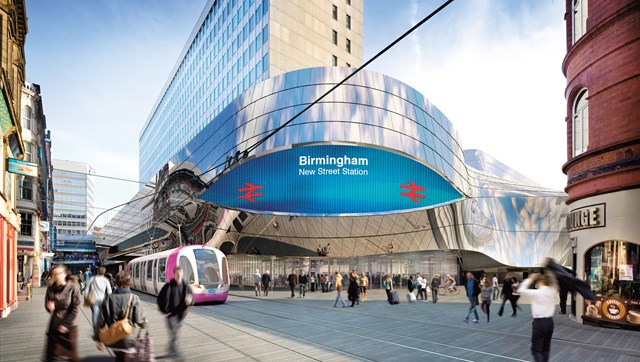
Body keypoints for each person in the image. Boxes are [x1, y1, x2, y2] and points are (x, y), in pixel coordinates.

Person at [94, 271, 146, 361]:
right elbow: (139, 320)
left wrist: (98, 339)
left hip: (113, 338)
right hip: (128, 339)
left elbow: (100, 321)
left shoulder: (108, 299)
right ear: (129, 282)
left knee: (119, 358)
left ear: (116, 282)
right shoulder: (134, 298)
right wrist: (144, 324)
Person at [43, 264, 82, 362]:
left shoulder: (73, 288)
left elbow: (75, 308)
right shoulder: (51, 288)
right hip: (55, 324)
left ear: (65, 274)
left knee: (71, 356)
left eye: (59, 273)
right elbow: (48, 306)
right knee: (51, 356)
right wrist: (49, 307)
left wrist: (66, 324)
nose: (57, 276)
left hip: (69, 325)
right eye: (54, 274)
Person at [517, 272, 558, 362]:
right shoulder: (552, 291)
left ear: (540, 282)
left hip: (539, 323)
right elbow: (554, 282)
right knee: (546, 349)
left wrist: (530, 279)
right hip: (550, 322)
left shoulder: (537, 293)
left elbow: (520, 290)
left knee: (537, 350)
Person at [158, 267, 194, 359]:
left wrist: (191, 300)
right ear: (174, 275)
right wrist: (164, 310)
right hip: (171, 315)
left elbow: (193, 298)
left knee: (175, 334)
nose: (179, 276)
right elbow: (159, 299)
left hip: (181, 315)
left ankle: (170, 349)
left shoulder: (186, 286)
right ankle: (177, 354)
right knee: (174, 333)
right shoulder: (168, 286)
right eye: (177, 274)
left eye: (181, 274)